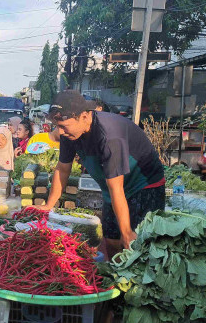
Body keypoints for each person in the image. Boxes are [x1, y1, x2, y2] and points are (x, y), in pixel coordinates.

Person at [36, 90, 165, 255]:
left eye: (63, 126)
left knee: (137, 243)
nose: (60, 132)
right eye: (57, 126)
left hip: (144, 184)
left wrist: (126, 233)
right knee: (111, 239)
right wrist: (48, 205)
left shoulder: (109, 135)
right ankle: (111, 273)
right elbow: (62, 169)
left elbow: (116, 188)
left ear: (84, 116)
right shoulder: (69, 134)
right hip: (112, 187)